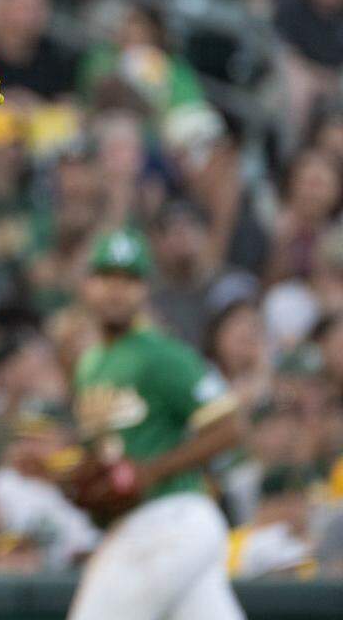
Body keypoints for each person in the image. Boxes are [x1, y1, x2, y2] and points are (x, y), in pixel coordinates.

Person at [65, 230, 245, 620]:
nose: (116, 291)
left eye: (129, 280)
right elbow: (104, 457)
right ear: (87, 285)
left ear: (144, 290)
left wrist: (151, 471)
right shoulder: (89, 364)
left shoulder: (163, 353)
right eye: (106, 277)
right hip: (137, 525)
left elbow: (230, 427)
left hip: (174, 515)